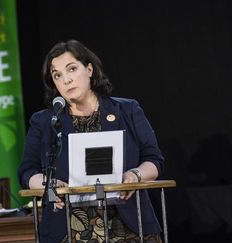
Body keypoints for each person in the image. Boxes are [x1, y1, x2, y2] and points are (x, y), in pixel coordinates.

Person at [18, 40, 164, 242]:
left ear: (89, 69)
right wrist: (47, 184)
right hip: (68, 230)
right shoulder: (44, 122)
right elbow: (27, 172)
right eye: (57, 75)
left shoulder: (127, 111)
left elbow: (154, 160)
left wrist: (135, 175)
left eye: (71, 69)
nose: (66, 80)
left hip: (129, 227)